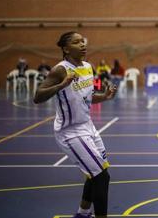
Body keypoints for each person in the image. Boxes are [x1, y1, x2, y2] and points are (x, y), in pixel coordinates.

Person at [34, 31, 117, 218]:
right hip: (70, 132)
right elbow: (37, 97)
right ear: (65, 48)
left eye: (83, 41)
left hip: (88, 127)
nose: (82, 44)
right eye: (76, 42)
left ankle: (82, 213)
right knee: (101, 177)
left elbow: (86, 98)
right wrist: (61, 85)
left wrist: (103, 96)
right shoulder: (60, 70)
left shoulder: (88, 67)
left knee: (97, 172)